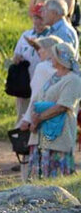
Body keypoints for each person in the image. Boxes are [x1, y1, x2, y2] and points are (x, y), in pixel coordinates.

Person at [19, 40, 80, 178]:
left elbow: (62, 106)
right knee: (37, 180)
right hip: (40, 136)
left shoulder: (73, 80)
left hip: (59, 137)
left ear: (61, 58)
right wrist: (33, 119)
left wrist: (39, 118)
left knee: (55, 179)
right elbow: (39, 98)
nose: (50, 58)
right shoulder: (53, 77)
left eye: (53, 55)